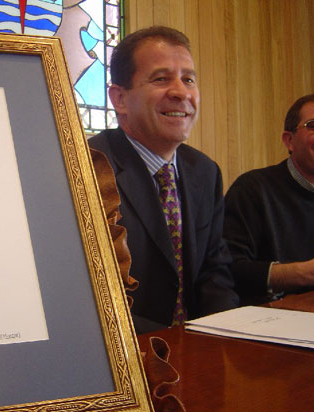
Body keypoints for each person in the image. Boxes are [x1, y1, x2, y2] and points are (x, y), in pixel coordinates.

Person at [89, 26, 239, 333]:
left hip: (199, 350)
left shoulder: (204, 171)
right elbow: (89, 293)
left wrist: (228, 336)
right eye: (161, 79)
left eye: (188, 79)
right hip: (124, 350)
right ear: (120, 98)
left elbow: (215, 271)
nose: (181, 92)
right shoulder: (86, 166)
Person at [223, 94, 314, 303]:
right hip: (268, 324)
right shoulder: (252, 189)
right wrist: (306, 273)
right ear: (289, 140)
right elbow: (229, 269)